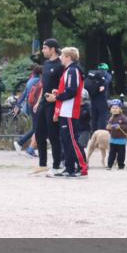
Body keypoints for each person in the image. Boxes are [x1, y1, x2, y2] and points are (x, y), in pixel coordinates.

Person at [45, 46, 88, 178]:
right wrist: (58, 93)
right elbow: (69, 90)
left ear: (69, 57)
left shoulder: (72, 70)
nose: (60, 58)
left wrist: (56, 97)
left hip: (69, 110)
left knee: (72, 139)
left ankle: (82, 167)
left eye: (63, 56)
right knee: (66, 140)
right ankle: (69, 168)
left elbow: (72, 91)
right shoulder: (69, 70)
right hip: (65, 109)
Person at [32, 39, 64, 174]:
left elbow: (63, 86)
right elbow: (44, 85)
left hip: (54, 103)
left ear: (53, 49)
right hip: (43, 103)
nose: (43, 50)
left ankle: (56, 165)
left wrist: (57, 100)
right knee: (39, 133)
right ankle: (42, 163)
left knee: (53, 135)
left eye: (45, 48)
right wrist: (38, 102)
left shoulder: (61, 65)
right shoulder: (45, 64)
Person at [14, 65, 43, 154]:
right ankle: (22, 143)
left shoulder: (30, 81)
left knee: (37, 127)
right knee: (36, 128)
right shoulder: (39, 81)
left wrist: (18, 105)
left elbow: (24, 94)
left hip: (30, 105)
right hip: (36, 105)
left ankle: (27, 146)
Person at [105, 100, 127, 170]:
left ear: (120, 109)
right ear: (110, 110)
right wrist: (108, 128)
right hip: (113, 139)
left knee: (121, 154)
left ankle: (121, 165)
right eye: (113, 108)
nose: (114, 109)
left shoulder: (123, 117)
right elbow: (109, 127)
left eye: (116, 108)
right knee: (111, 153)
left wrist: (120, 126)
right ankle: (109, 165)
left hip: (121, 140)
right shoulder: (111, 118)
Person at [84, 63, 112, 132]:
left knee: (94, 117)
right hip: (102, 99)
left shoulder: (93, 75)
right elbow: (107, 81)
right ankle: (101, 133)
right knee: (103, 116)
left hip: (93, 98)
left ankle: (93, 133)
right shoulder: (107, 74)